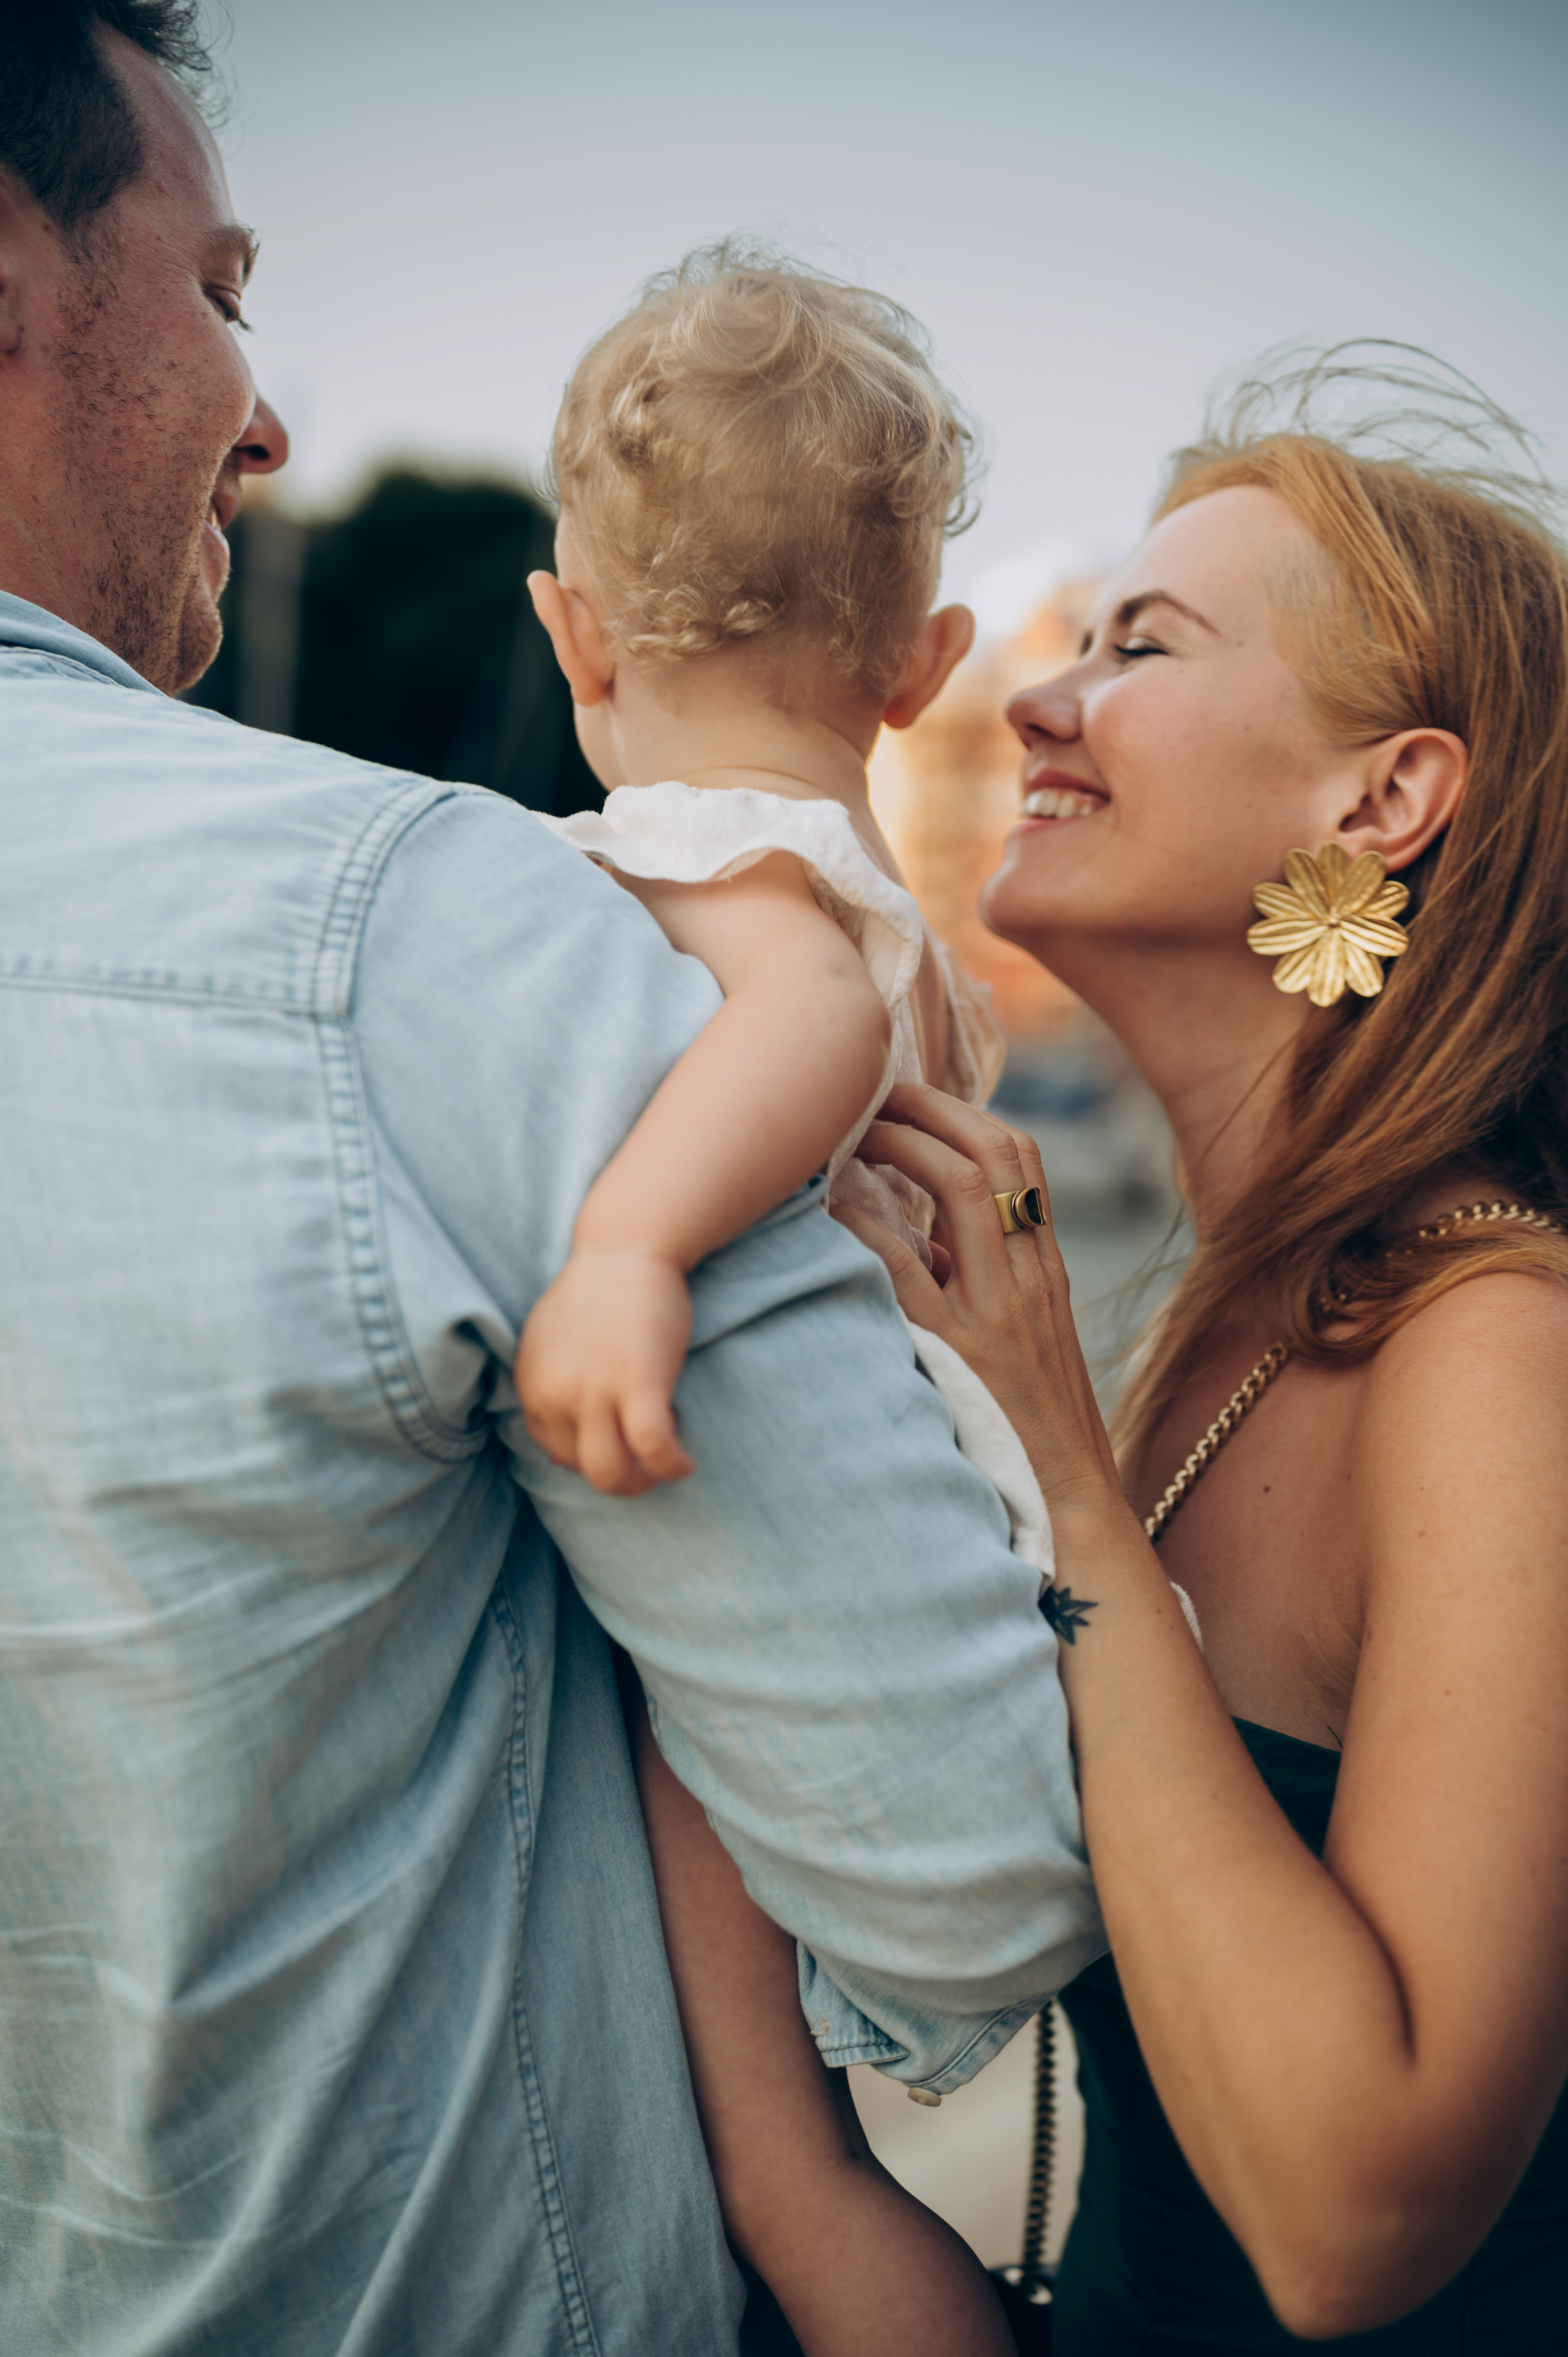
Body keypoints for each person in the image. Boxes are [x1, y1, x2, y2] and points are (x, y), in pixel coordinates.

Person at [0, 10, 1105, 2355]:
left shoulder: (552, 890)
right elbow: (968, 1874)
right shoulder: (407, 929)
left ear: (574, 636)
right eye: (220, 285)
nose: (268, 408)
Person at [843, 358, 1568, 2351]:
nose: (1035, 699)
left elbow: (1357, 2221)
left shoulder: (1492, 1350)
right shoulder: (1245, 1308)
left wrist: (1064, 1473)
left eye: (1139, 646)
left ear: (1384, 799)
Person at [516, 250, 1046, 2356]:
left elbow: (796, 1019)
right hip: (927, 1537)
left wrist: (632, 1253)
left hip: (777, 1552)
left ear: (573, 627)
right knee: (800, 2164)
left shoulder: (723, 870)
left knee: (779, 2165)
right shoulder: (851, 875)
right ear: (924, 665)